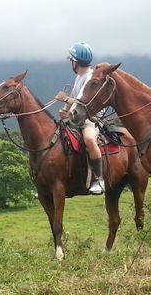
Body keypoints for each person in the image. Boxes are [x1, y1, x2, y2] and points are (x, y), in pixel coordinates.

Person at [55, 42, 105, 194]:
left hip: (91, 118)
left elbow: (84, 103)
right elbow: (74, 99)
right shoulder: (79, 77)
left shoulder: (89, 77)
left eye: (71, 60)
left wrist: (64, 100)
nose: (71, 63)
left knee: (89, 140)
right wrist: (64, 110)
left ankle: (99, 179)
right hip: (77, 117)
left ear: (75, 61)